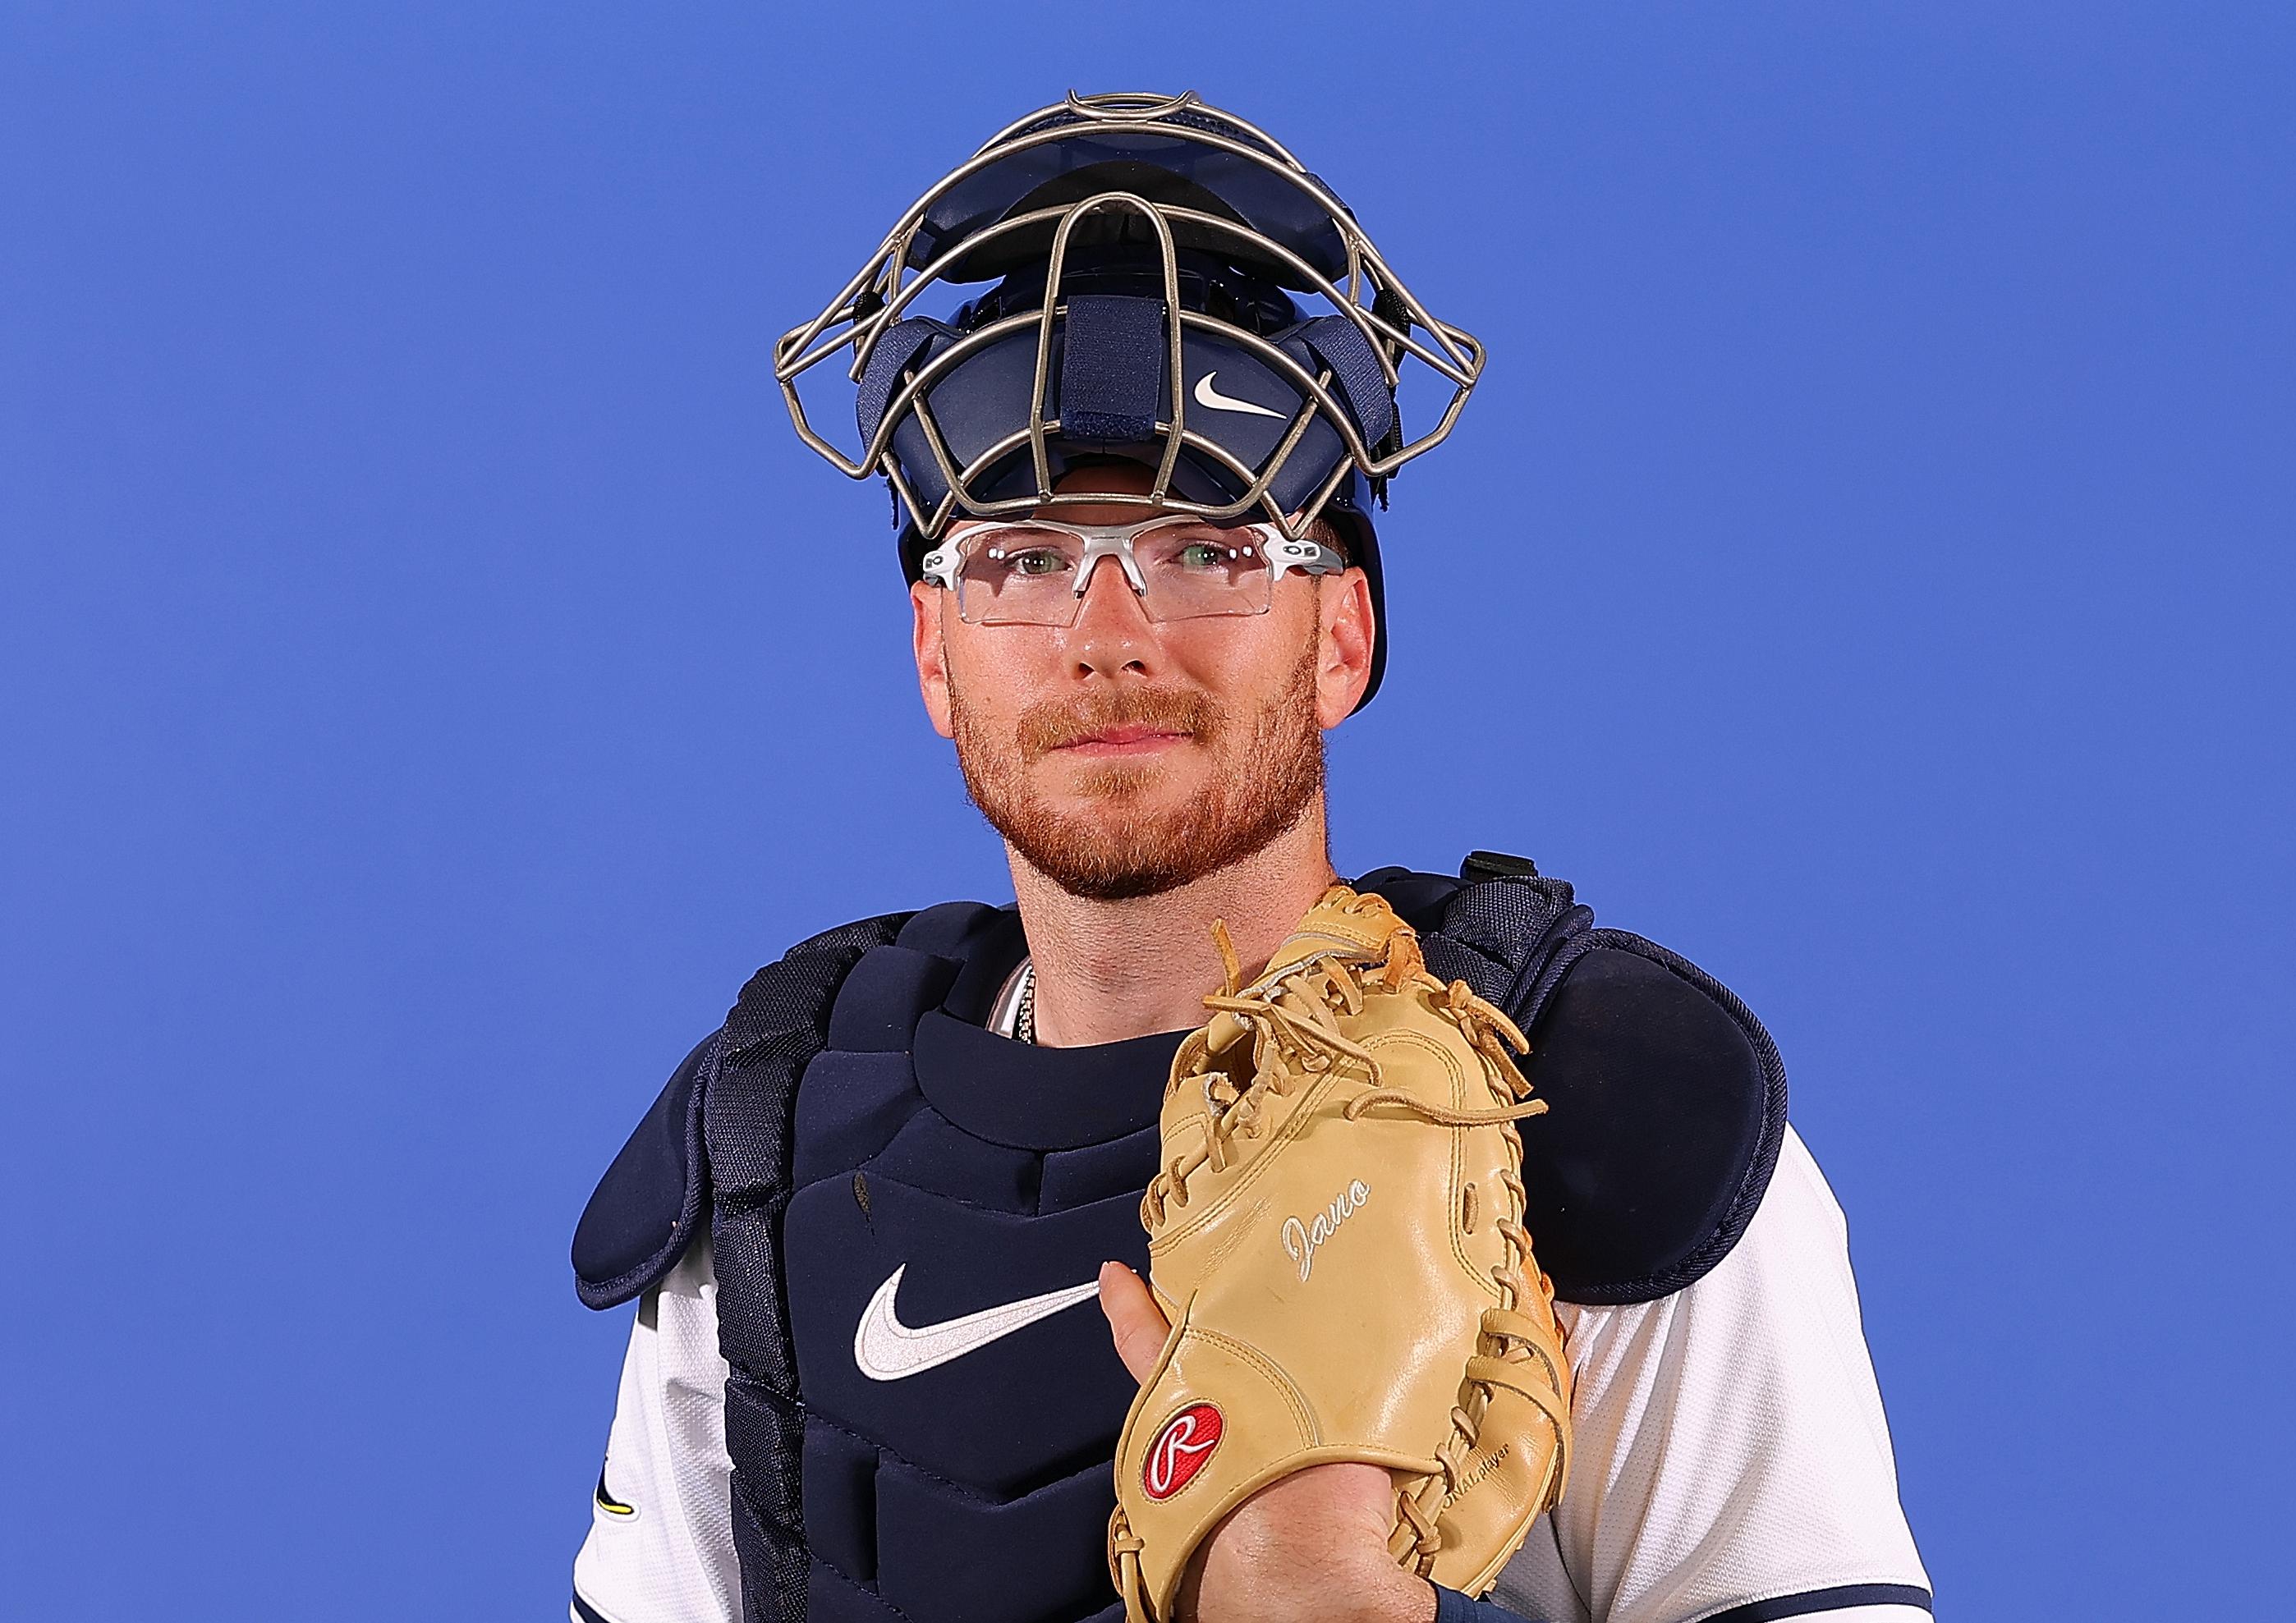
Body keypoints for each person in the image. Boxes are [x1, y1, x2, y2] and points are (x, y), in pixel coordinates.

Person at [567, 93, 1932, 1623]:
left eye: (1208, 551)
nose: (1106, 638)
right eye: (1018, 560)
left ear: (1340, 634)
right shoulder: (770, 1143)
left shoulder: (1586, 1113)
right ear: (934, 653)